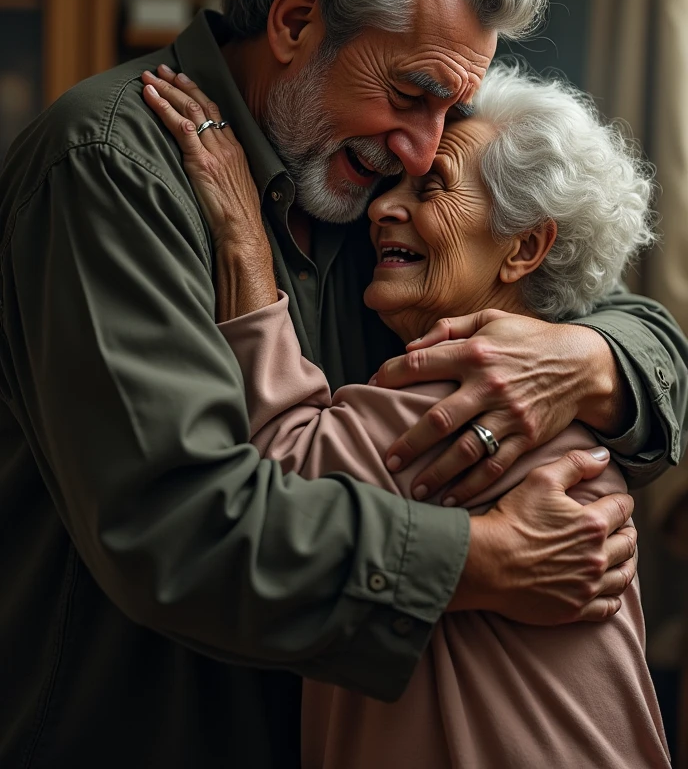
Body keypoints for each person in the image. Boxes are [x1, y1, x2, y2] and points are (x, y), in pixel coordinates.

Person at [0, 0, 684, 768]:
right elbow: (180, 525)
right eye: (410, 96)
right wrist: (485, 561)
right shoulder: (110, 167)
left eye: (449, 110)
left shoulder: (376, 168)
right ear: (294, 20)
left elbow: (633, 319)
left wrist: (587, 361)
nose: (424, 145)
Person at [144, 60, 670, 768]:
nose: (384, 208)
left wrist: (243, 242)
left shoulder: (475, 391)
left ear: (524, 248)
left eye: (431, 188)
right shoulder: (557, 394)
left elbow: (281, 470)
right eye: (392, 184)